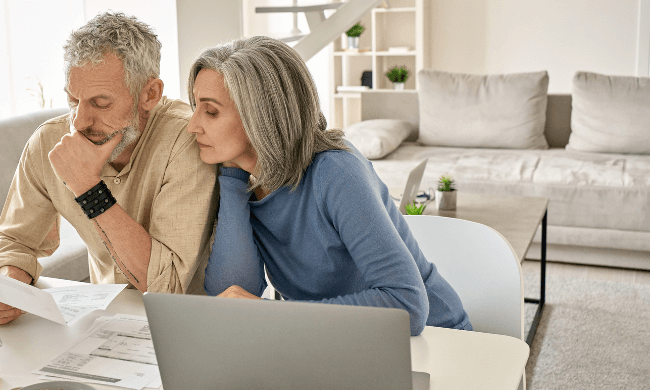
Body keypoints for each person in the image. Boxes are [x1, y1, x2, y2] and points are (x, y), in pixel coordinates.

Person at [189, 36, 471, 336]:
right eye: (195, 106)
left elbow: (407, 305)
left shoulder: (336, 171)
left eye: (210, 111)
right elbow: (231, 294)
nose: (192, 124)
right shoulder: (246, 178)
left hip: (433, 341)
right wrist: (232, 180)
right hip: (336, 341)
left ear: (260, 115)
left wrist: (275, 314)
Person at [0, 12, 217, 324]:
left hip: (187, 325)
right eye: (73, 100)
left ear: (149, 94)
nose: (80, 121)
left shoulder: (187, 140)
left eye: (100, 103)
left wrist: (89, 189)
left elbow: (165, 286)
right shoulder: (49, 141)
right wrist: (9, 285)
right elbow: (15, 242)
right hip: (104, 323)